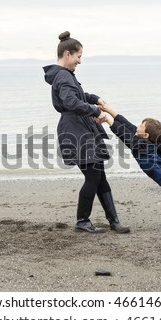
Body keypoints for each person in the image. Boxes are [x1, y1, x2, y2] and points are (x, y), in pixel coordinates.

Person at [43, 31, 130, 233]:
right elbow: (70, 102)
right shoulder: (63, 75)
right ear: (67, 54)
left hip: (80, 127)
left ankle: (114, 221)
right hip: (75, 130)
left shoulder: (64, 75)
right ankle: (82, 221)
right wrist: (95, 110)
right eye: (78, 56)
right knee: (93, 177)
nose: (80, 61)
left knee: (99, 176)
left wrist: (94, 98)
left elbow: (78, 95)